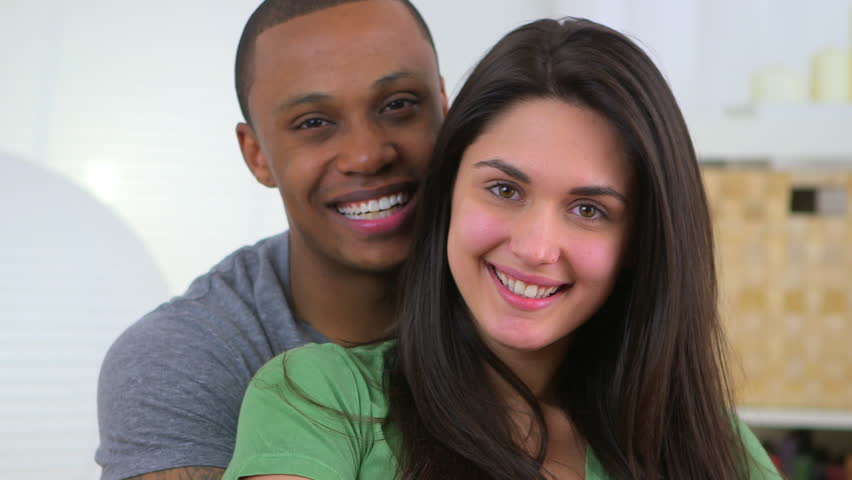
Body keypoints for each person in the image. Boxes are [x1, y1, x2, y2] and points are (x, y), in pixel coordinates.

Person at [222, 17, 784, 480]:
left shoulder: (711, 446)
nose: (536, 248)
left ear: (640, 240)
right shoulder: (319, 399)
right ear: (448, 191)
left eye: (589, 210)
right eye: (504, 190)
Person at [95, 1, 447, 479]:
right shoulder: (183, 356)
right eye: (314, 123)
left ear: (444, 106)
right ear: (256, 154)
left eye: (398, 105)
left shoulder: (527, 286)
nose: (366, 155)